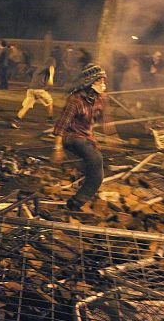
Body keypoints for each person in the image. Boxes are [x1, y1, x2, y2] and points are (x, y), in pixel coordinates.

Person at [52, 64, 111, 212]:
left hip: (87, 137)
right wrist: (57, 149)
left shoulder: (101, 98)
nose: (103, 85)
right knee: (97, 161)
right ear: (90, 82)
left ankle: (82, 182)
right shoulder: (76, 100)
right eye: (99, 81)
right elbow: (61, 125)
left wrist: (111, 136)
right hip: (72, 137)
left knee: (94, 161)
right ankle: (76, 202)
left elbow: (106, 119)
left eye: (104, 81)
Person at [9, 57, 55, 129]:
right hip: (39, 90)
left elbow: (29, 73)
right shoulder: (48, 66)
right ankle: (50, 120)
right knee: (50, 102)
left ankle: (15, 121)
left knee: (26, 107)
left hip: (31, 90)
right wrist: (51, 78)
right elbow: (51, 67)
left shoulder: (39, 68)